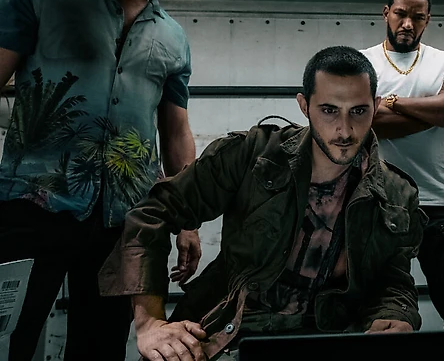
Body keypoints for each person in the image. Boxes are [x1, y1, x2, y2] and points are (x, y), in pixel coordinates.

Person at [98, 46, 425, 361]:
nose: (345, 129)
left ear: (376, 106)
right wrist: (150, 323)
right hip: (228, 330)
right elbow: (152, 214)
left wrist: (395, 315)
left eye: (358, 111)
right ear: (304, 105)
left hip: (329, 336)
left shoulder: (396, 194)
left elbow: (393, 280)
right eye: (329, 110)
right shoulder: (253, 154)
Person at [0, 0, 206, 361]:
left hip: (124, 224)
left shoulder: (174, 38)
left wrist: (188, 221)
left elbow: (176, 133)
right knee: (9, 338)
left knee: (101, 349)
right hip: (32, 204)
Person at [361, 0, 444, 329]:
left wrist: (392, 102)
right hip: (376, 203)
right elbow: (366, 123)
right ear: (386, 13)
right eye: (400, 14)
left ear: (428, 20)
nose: (407, 24)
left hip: (442, 202)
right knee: (377, 314)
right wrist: (437, 108)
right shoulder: (362, 63)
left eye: (417, 17)